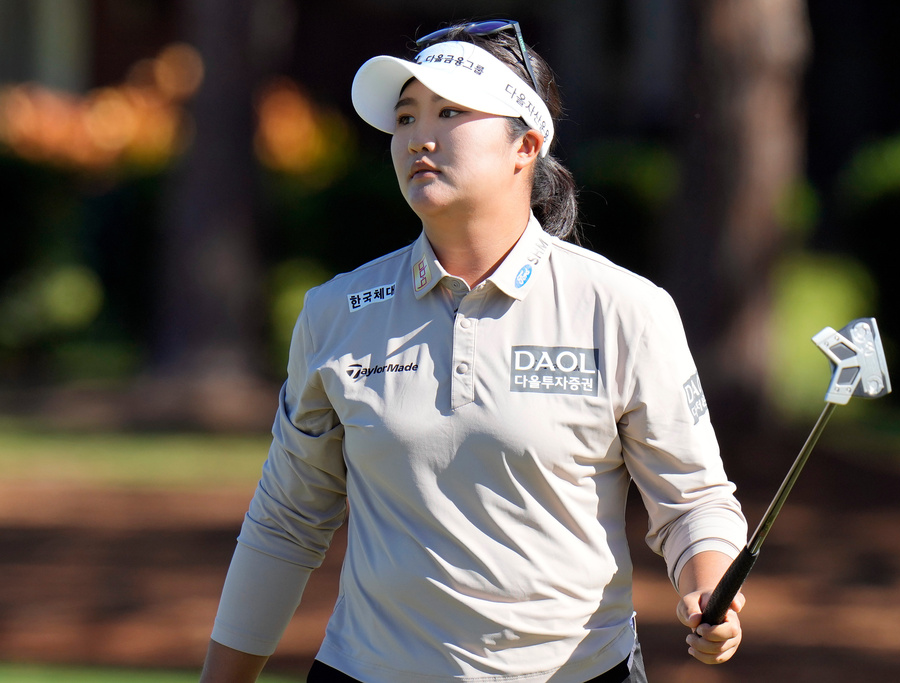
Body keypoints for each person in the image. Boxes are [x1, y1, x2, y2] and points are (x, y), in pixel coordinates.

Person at [200, 19, 747, 683]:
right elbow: (286, 522)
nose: (418, 137)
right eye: (405, 116)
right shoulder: (334, 313)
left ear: (527, 144)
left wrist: (708, 584)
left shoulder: (623, 308)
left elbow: (692, 500)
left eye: (451, 111)